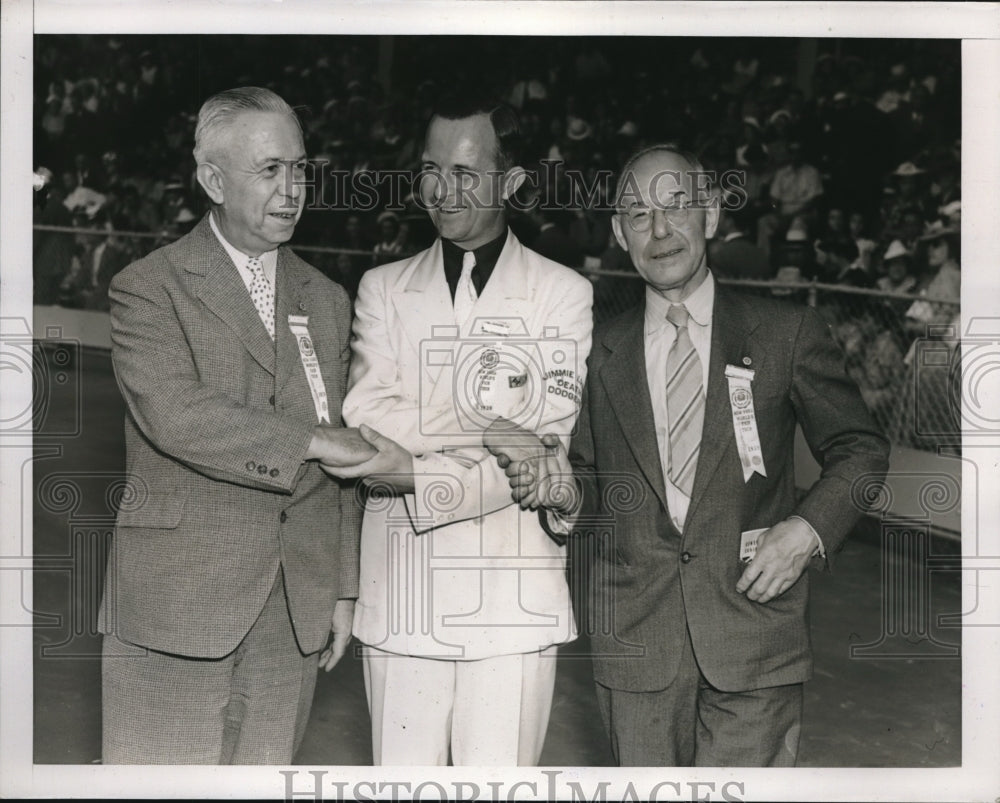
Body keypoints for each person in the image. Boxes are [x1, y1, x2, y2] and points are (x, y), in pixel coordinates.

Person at [486, 145, 890, 767]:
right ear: (619, 234)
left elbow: (860, 450)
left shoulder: (785, 332)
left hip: (755, 635)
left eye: (677, 206)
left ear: (712, 216)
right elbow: (592, 482)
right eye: (639, 214)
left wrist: (806, 532)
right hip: (638, 645)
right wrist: (564, 494)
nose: (660, 229)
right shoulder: (598, 352)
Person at [100, 87, 373, 764]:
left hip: (294, 608)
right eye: (270, 169)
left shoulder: (329, 299)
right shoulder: (149, 286)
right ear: (213, 179)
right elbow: (178, 415)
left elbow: (343, 470)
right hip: (177, 603)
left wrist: (341, 587)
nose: (292, 189)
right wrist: (311, 440)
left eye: (301, 167)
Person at [323, 93, 594, 766]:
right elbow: (366, 411)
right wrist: (499, 421)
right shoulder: (382, 287)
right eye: (430, 169)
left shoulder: (564, 291)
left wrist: (416, 470)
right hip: (402, 598)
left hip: (513, 604)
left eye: (465, 173)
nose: (441, 190)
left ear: (514, 181)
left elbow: (545, 442)